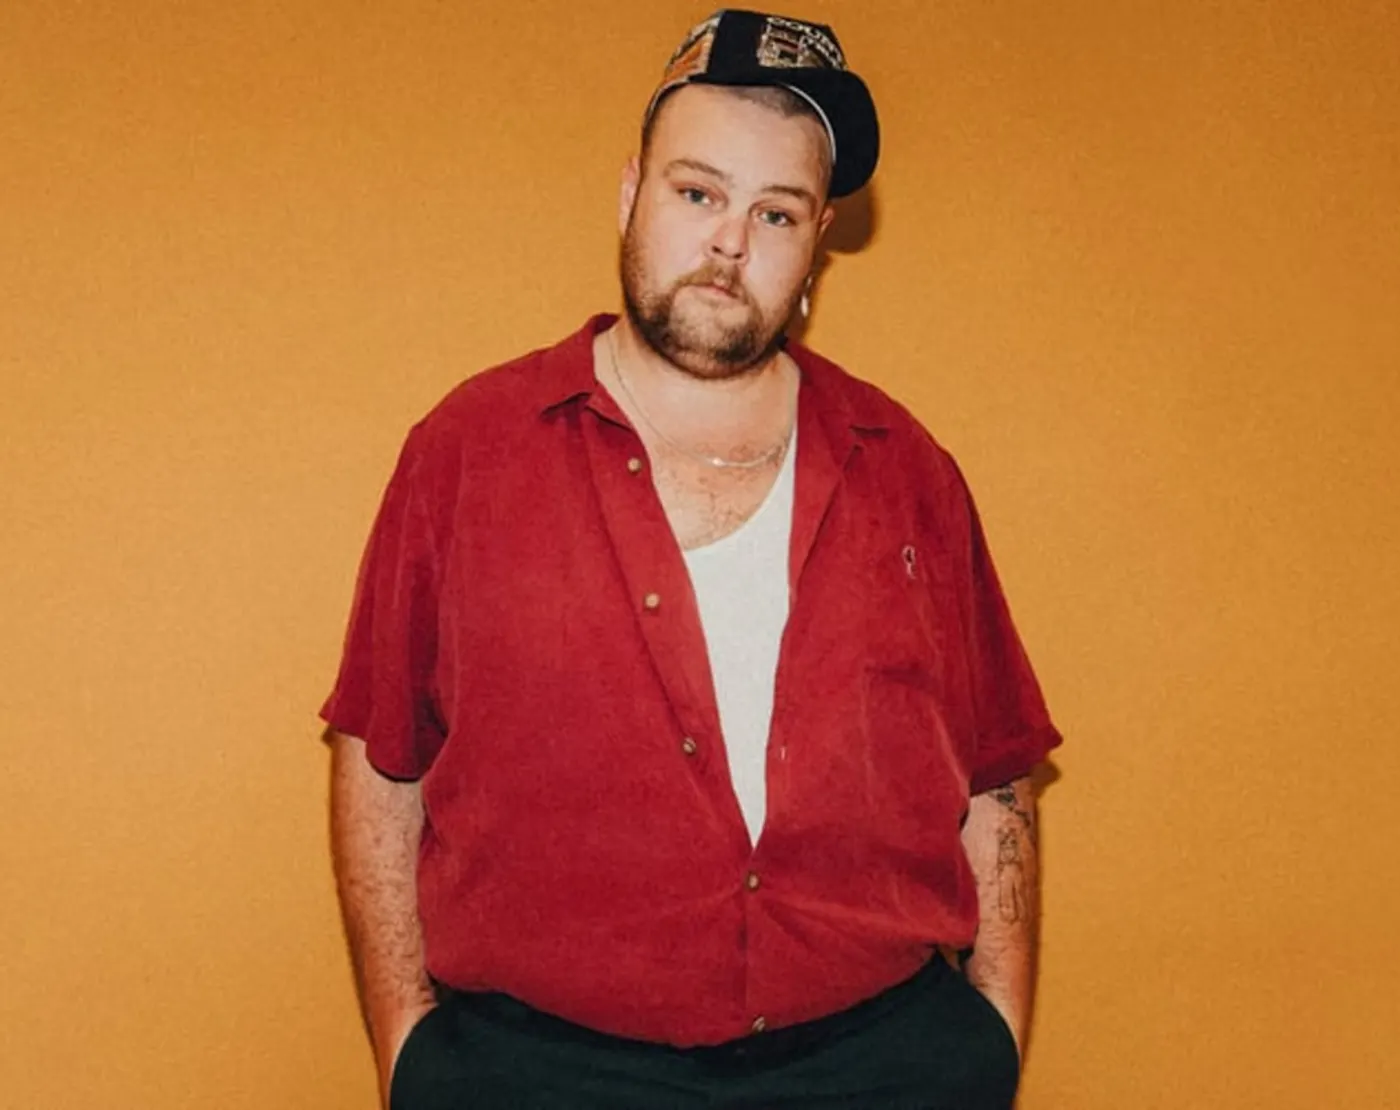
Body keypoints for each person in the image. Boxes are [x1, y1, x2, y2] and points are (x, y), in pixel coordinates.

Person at [321, 10, 1062, 1109]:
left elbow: (995, 775)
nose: (729, 243)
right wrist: (406, 1048)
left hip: (881, 1060)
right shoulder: (466, 455)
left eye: (776, 212)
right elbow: (383, 766)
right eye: (697, 193)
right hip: (539, 1071)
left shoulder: (908, 472)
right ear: (631, 198)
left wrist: (990, 1037)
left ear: (814, 247)